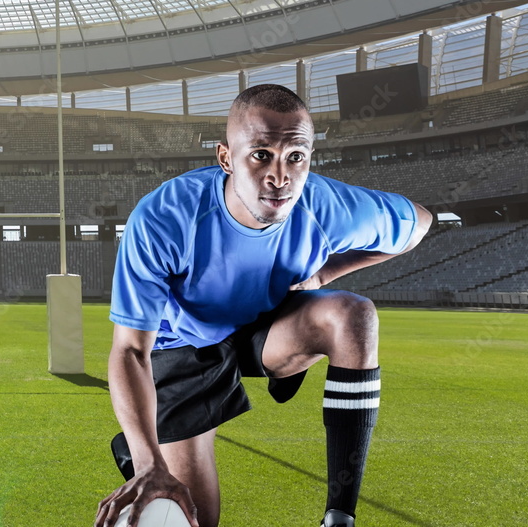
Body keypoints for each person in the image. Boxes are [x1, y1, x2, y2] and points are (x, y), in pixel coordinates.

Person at [94, 84, 432, 527]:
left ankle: (339, 517)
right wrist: (147, 462)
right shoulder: (163, 218)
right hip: (183, 343)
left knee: (354, 315)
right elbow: (130, 351)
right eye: (260, 155)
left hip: (265, 323)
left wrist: (325, 275)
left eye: (296, 156)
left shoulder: (326, 207)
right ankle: (155, 446)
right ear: (226, 158)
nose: (280, 176)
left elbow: (420, 222)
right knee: (192, 516)